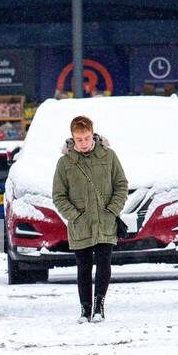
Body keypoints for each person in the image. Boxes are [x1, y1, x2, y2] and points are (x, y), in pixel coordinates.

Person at [51, 114, 128, 323]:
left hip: (105, 220)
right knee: (83, 267)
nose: (83, 143)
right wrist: (74, 215)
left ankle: (99, 306)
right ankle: (85, 309)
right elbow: (58, 195)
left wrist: (112, 210)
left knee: (104, 263)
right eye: (79, 139)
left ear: (92, 135)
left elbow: (121, 185)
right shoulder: (65, 162)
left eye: (86, 138)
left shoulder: (108, 156)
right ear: (72, 138)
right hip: (80, 223)